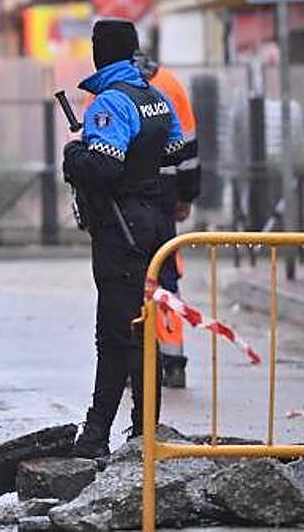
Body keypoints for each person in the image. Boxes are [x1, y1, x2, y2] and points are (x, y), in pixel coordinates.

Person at [63, 19, 185, 458]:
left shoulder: (110, 103)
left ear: (101, 51)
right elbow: (174, 150)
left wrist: (74, 154)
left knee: (115, 335)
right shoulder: (154, 96)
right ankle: (141, 430)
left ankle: (99, 437)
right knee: (141, 330)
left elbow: (106, 167)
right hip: (151, 225)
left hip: (120, 231)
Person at [135, 53, 201, 389]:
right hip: (164, 194)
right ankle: (174, 362)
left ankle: (138, 364)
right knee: (166, 278)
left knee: (129, 278)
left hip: (127, 196)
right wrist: (187, 196)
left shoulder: (106, 88)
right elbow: (187, 147)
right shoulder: (169, 84)